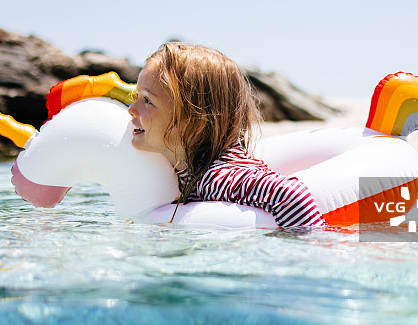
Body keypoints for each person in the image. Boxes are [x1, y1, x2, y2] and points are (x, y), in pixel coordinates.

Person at [126, 42, 326, 228]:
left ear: (194, 120)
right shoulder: (186, 169)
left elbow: (291, 195)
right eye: (135, 97)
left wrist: (303, 253)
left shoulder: (216, 179)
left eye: (147, 100)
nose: (131, 109)